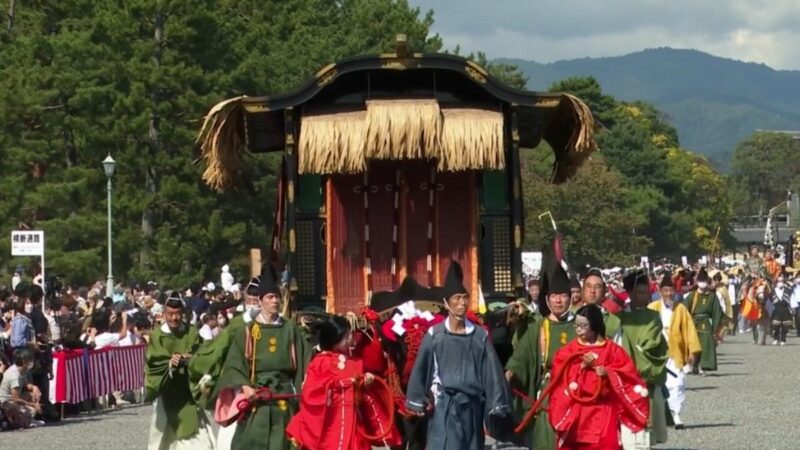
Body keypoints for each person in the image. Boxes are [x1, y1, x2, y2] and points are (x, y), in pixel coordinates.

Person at [405, 260, 512, 450]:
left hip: (471, 408)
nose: (462, 303)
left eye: (465, 297)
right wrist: (417, 399)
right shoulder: (435, 335)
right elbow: (420, 369)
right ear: (446, 302)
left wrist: (497, 403)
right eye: (457, 298)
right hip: (444, 406)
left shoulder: (479, 335)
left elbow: (492, 373)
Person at [214, 266, 310, 450]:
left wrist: (303, 394)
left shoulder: (290, 329)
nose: (275, 301)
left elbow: (304, 363)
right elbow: (234, 364)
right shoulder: (249, 331)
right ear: (260, 300)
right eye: (270, 297)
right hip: (255, 397)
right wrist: (245, 387)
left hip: (283, 396)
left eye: (277, 297)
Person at [286, 315, 401, 449]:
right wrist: (343, 384)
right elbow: (311, 392)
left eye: (350, 335)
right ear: (334, 340)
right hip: (329, 425)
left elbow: (362, 395)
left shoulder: (355, 361)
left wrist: (365, 383)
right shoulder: (320, 362)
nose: (350, 339)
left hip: (353, 423)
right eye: (346, 336)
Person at [546, 304, 650, 450]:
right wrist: (581, 367)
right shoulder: (567, 352)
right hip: (577, 411)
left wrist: (608, 372)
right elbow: (559, 377)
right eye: (576, 325)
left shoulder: (613, 350)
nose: (578, 329)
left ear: (594, 325)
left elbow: (628, 375)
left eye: (583, 325)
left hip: (605, 410)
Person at [506, 247, 576, 450]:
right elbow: (522, 356)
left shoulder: (580, 325)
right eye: (554, 295)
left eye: (563, 295)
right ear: (547, 299)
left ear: (570, 298)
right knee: (545, 440)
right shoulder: (539, 326)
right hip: (547, 393)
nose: (558, 300)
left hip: (576, 391)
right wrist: (508, 376)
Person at [145, 292, 215, 450]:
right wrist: (170, 363)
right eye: (170, 314)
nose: (174, 318)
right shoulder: (158, 335)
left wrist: (190, 358)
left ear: (182, 313)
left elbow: (201, 354)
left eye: (177, 314)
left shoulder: (191, 332)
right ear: (164, 314)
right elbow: (154, 361)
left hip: (188, 394)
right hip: (166, 392)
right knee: (161, 442)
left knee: (200, 442)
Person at [618, 269, 668, 450]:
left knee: (646, 433)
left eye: (646, 292)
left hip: (647, 380)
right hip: (623, 381)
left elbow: (650, 345)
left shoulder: (653, 317)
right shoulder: (619, 318)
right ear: (630, 293)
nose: (644, 296)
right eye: (640, 292)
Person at [647, 275, 701, 430]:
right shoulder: (652, 307)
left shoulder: (681, 309)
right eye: (665, 291)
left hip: (675, 352)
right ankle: (657, 417)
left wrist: (693, 351)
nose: (669, 294)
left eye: (671, 291)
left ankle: (676, 414)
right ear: (660, 291)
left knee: (677, 384)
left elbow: (689, 330)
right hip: (656, 353)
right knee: (657, 385)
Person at [685, 269, 723, 374]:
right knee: (692, 344)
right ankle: (692, 364)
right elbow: (683, 309)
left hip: (706, 323)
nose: (702, 283)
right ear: (697, 282)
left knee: (706, 344)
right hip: (693, 322)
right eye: (700, 281)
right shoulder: (692, 295)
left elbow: (717, 312)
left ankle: (704, 366)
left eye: (704, 281)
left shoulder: (712, 296)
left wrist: (716, 328)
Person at [582, 268, 621, 341]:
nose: (592, 291)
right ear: (583, 290)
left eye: (597, 287)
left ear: (603, 291)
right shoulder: (572, 316)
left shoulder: (613, 322)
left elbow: (618, 349)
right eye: (589, 286)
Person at [770, 274, 793, 346]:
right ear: (776, 282)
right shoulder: (773, 291)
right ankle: (776, 339)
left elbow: (792, 300)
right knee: (775, 326)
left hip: (785, 309)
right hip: (776, 309)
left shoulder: (788, 290)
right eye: (779, 281)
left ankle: (783, 340)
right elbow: (770, 301)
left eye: (782, 281)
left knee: (785, 326)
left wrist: (792, 309)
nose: (780, 282)